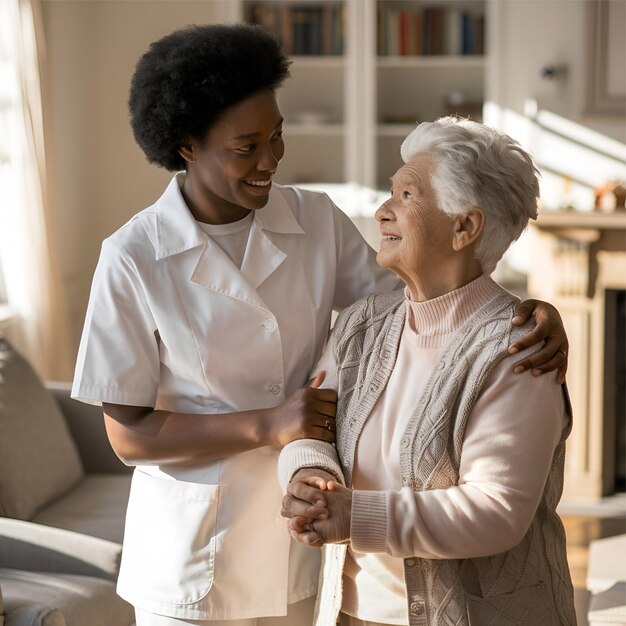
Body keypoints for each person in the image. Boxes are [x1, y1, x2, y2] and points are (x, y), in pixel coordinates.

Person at [71, 24, 569, 626]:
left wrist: (526, 313)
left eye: (276, 137)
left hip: (300, 546)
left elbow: (422, 306)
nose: (270, 161)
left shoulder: (316, 220)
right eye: (245, 146)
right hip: (193, 551)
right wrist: (269, 424)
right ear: (187, 146)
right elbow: (127, 434)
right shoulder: (133, 255)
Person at [280, 117, 577, 626]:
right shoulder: (358, 326)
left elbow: (495, 512)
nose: (381, 211)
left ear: (465, 227)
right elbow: (312, 430)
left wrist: (353, 516)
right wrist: (310, 476)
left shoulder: (519, 349)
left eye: (407, 195)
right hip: (350, 613)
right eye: (389, 192)